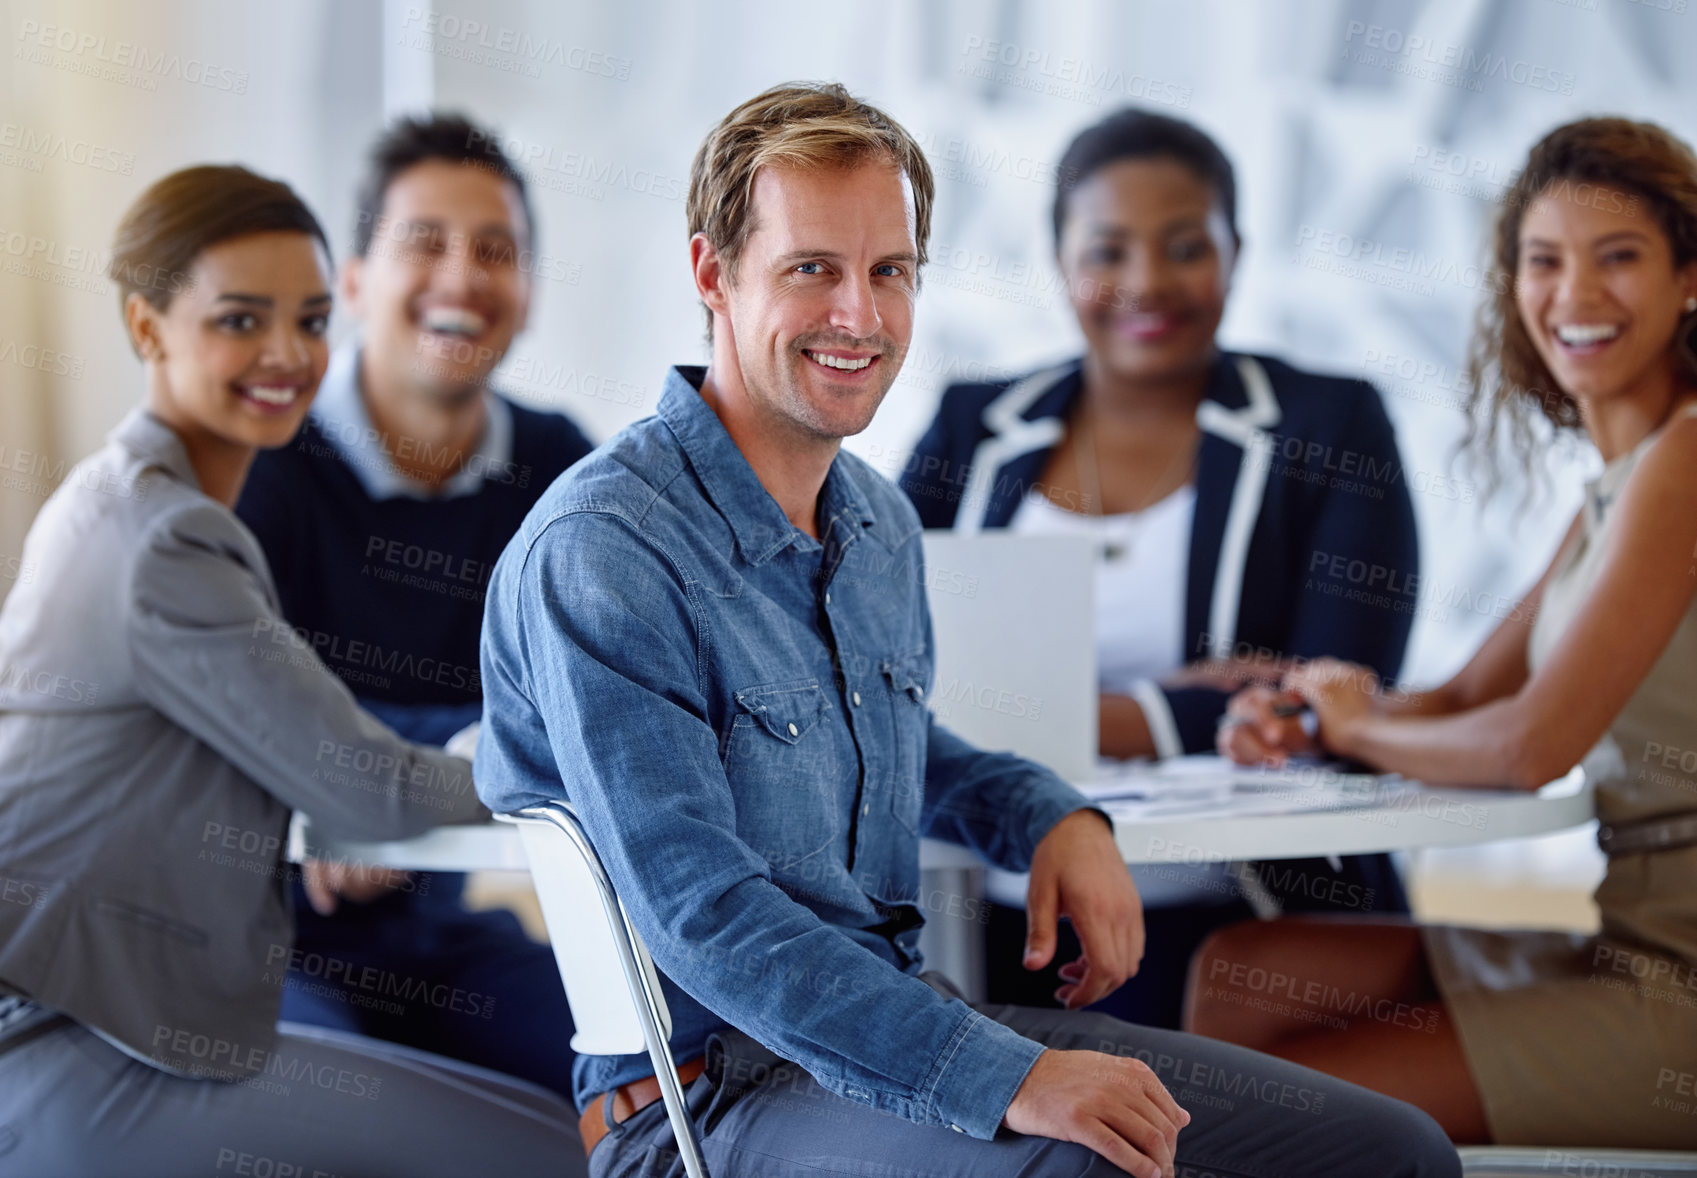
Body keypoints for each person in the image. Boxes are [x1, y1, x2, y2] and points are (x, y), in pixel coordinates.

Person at [477, 81, 1460, 1178]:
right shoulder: (604, 548)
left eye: (888, 271)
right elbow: (703, 916)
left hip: (900, 1027)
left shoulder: (878, 522)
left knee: (1386, 1150)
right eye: (812, 268)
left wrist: (1044, 813)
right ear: (712, 273)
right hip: (699, 1093)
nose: (859, 314)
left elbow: (897, 749)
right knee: (1105, 1165)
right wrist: (1006, 1076)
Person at [0, 165, 581, 1175]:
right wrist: (575, 763)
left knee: (578, 1108)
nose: (285, 352)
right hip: (83, 1043)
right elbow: (371, 785)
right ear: (147, 329)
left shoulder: (140, 503)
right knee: (555, 1150)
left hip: (144, 1016)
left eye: (306, 319)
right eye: (239, 319)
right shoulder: (164, 538)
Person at [1196, 117, 1697, 1150]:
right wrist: (1314, 710)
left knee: (1270, 1106)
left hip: (1674, 986)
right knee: (1235, 974)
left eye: (1618, 259)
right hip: (1620, 938)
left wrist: (1363, 729)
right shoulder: (1619, 479)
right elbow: (1464, 697)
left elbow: (1525, 745)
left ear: (1687, 277)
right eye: (1542, 261)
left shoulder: (1684, 462)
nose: (1574, 295)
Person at [900, 108, 1416, 1029]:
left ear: (1235, 251)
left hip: (1237, 927)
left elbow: (1335, 698)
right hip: (977, 929)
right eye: (1107, 250)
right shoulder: (973, 426)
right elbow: (867, 660)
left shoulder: (1328, 426)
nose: (1145, 283)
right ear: (1059, 258)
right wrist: (1167, 707)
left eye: (1184, 247)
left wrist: (1034, 716)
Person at [234, 112, 594, 1101]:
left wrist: (404, 780)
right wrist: (394, 774)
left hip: (437, 931)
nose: (462, 275)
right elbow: (236, 708)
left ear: (525, 292)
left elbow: (600, 703)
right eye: (423, 241)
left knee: (638, 1075)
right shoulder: (263, 457)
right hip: (254, 932)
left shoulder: (560, 469)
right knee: (331, 1105)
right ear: (351, 280)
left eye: (496, 250)